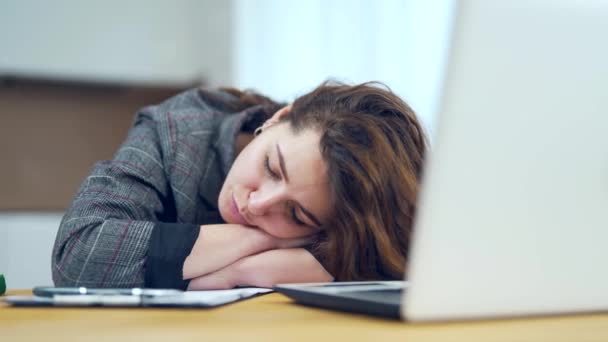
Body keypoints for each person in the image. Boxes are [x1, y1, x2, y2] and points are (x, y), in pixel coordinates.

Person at [51, 80, 428, 290]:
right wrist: (265, 241)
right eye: (272, 168)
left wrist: (236, 272)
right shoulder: (176, 133)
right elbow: (79, 255)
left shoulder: (344, 197)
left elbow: (398, 261)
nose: (257, 204)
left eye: (295, 214)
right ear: (279, 118)